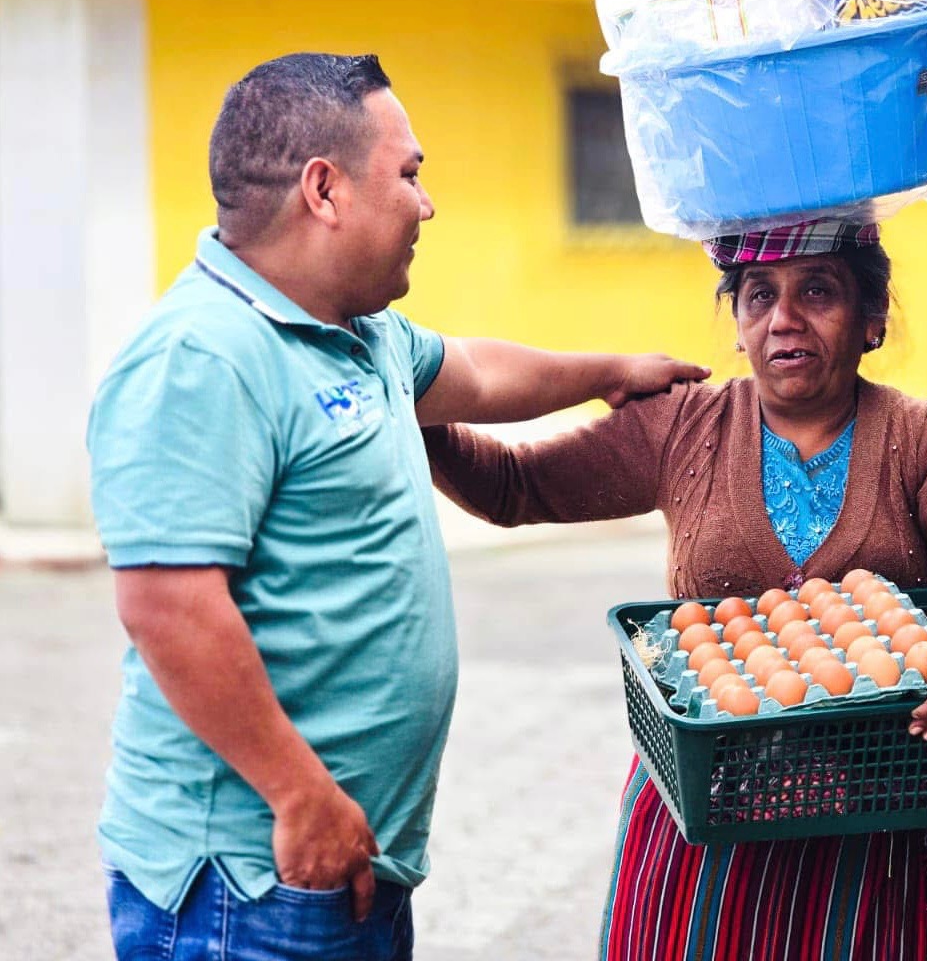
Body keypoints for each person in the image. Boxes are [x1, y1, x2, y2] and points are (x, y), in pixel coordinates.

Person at [86, 52, 709, 961]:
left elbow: (478, 372)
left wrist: (611, 372)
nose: (427, 204)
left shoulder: (358, 330)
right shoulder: (203, 357)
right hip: (251, 882)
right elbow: (168, 607)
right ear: (325, 190)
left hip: (342, 862)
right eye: (410, 174)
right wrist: (301, 797)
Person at [423, 220, 927, 960]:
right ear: (738, 323)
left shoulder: (921, 438)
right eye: (759, 295)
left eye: (817, 291)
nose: (784, 318)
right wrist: (404, 387)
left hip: (878, 814)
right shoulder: (683, 425)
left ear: (872, 318)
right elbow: (510, 486)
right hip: (710, 813)